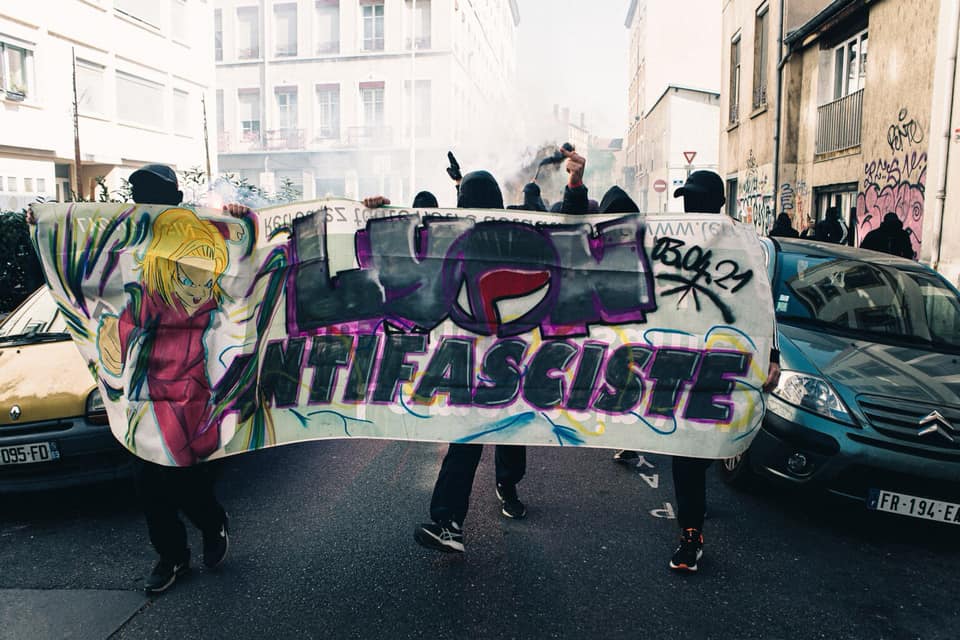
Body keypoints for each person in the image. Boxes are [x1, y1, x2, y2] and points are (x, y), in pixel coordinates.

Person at [668, 170, 781, 573]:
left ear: (717, 204)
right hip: (684, 365)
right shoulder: (673, 241)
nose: (688, 207)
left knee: (703, 451)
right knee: (687, 451)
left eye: (695, 199)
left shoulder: (743, 247)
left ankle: (693, 513)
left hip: (725, 366)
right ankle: (691, 534)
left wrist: (773, 355)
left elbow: (762, 307)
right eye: (685, 198)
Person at [412, 170, 529, 554]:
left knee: (477, 438)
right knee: (485, 436)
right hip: (504, 363)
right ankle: (464, 513)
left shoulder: (473, 243)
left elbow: (412, 248)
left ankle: (451, 520)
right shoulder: (519, 238)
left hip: (483, 362)